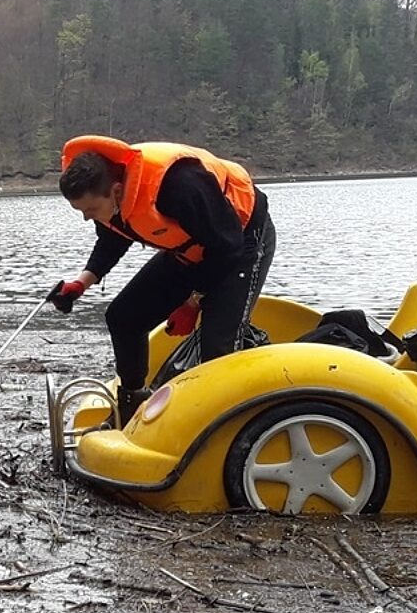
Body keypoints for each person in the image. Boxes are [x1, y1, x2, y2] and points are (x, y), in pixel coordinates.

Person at [50, 136, 276, 423]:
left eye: (90, 211)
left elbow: (226, 247)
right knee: (123, 317)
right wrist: (82, 282)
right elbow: (112, 239)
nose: (87, 218)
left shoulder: (181, 186)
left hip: (240, 242)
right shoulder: (110, 196)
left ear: (116, 191)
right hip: (192, 249)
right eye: (81, 212)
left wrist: (192, 303)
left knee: (217, 344)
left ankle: (225, 424)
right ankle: (133, 404)